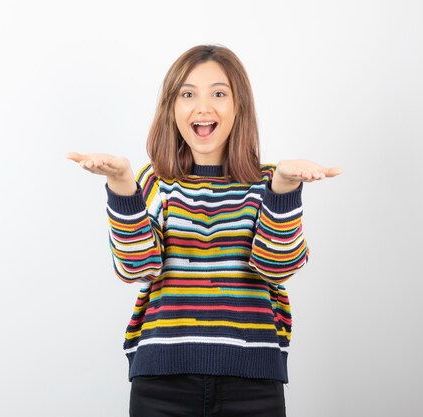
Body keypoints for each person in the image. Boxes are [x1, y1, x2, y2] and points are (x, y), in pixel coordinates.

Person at [66, 44, 341, 417]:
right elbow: (136, 268)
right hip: (162, 382)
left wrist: (285, 189)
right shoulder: (155, 182)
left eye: (219, 93)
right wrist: (121, 184)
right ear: (172, 107)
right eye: (188, 94)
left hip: (253, 382)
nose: (203, 106)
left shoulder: (268, 182)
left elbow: (278, 268)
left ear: (238, 105)